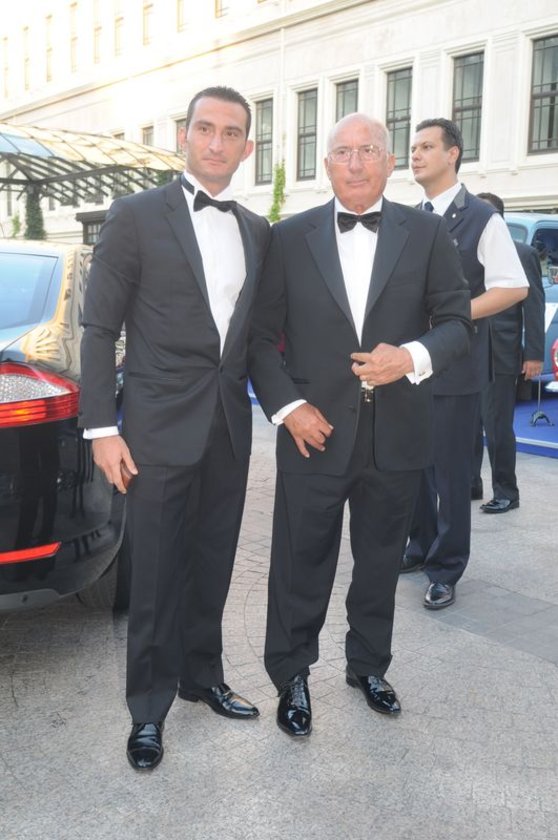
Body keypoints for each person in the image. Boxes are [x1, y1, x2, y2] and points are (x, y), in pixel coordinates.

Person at [248, 113, 472, 738]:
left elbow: (457, 324)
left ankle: (368, 666)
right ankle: (292, 675)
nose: (355, 162)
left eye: (368, 150)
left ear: (389, 162)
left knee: (379, 564)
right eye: (342, 151)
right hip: (312, 434)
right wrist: (290, 408)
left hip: (396, 434)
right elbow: (260, 340)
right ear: (326, 164)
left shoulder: (426, 233)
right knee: (300, 563)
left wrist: (411, 357)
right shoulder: (286, 237)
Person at [79, 86, 270, 771]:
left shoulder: (257, 230)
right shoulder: (134, 216)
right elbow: (98, 328)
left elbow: (256, 340)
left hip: (228, 426)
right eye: (205, 128)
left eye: (231, 132)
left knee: (213, 560)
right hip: (155, 429)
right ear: (184, 136)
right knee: (157, 573)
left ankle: (202, 675)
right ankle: (148, 709)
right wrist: (101, 428)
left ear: (248, 147)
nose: (217, 142)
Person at [400, 119, 528, 609]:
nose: (415, 155)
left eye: (426, 147)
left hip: (456, 365)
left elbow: (512, 287)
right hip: (409, 366)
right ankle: (419, 546)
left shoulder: (481, 218)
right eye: (413, 147)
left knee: (452, 475)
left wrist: (456, 314)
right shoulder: (409, 218)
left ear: (453, 154)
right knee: (414, 467)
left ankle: (446, 568)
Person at [472, 192, 545, 512]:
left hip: (501, 352)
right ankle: (471, 483)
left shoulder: (522, 253)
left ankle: (506, 491)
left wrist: (534, 355)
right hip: (467, 351)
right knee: (468, 422)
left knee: (497, 424)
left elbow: (534, 306)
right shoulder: (467, 252)